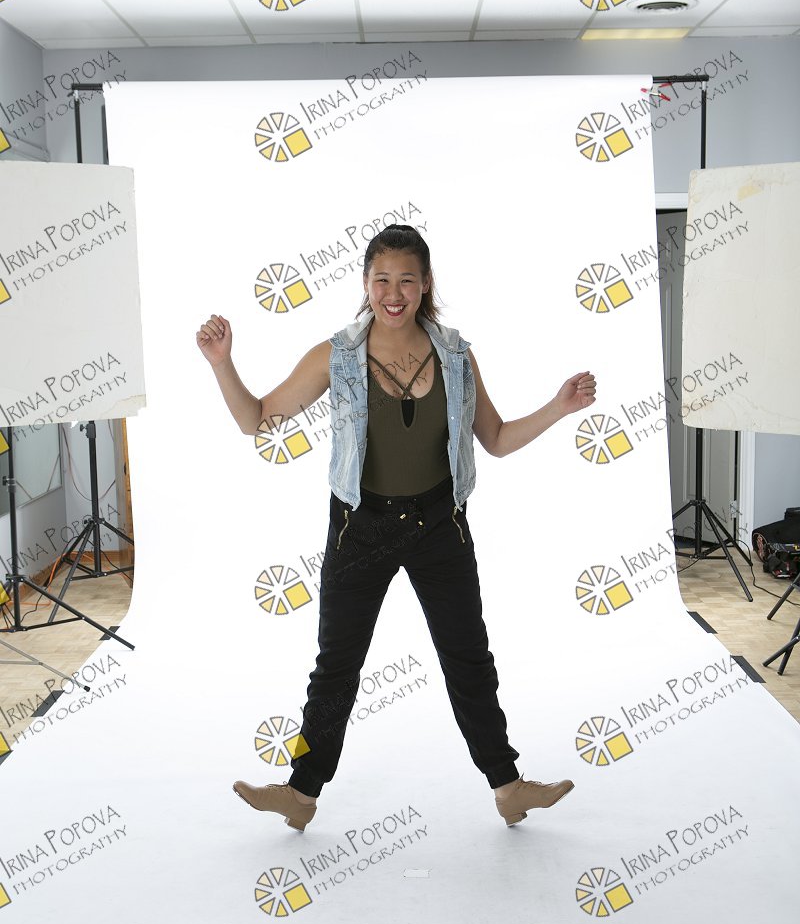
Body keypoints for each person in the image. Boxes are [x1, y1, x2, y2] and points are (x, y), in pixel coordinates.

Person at [196, 224, 596, 831]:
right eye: (381, 279)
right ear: (365, 283)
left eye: (406, 280)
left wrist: (559, 408)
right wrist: (223, 364)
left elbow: (495, 439)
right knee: (336, 666)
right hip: (359, 528)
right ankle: (301, 793)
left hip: (440, 525)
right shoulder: (336, 356)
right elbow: (256, 420)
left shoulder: (456, 356)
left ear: (426, 283)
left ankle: (508, 786)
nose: (393, 293)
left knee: (469, 658)